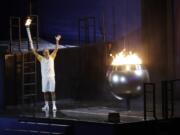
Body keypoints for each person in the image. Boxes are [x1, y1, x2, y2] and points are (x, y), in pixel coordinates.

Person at [31, 35, 61, 112]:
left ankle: (54, 105)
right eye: (45, 52)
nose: (47, 52)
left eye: (48, 51)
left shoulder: (52, 56)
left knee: (52, 92)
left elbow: (56, 48)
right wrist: (32, 48)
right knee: (45, 92)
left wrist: (57, 40)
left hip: (51, 77)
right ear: (44, 54)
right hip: (44, 78)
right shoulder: (41, 59)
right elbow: (35, 53)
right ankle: (46, 105)